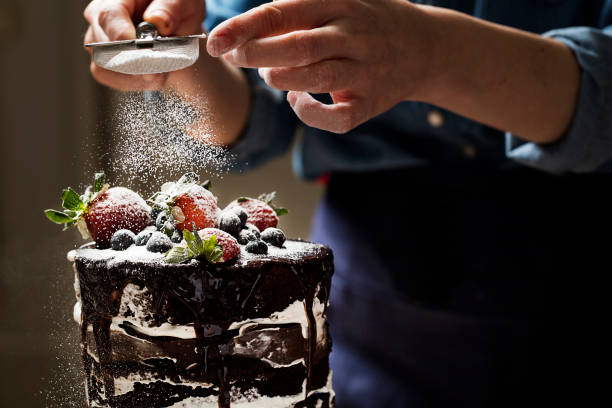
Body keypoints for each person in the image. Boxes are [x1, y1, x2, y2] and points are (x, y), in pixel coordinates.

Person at [83, 0, 612, 406]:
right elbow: (252, 104)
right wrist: (175, 56)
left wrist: (434, 51)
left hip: (579, 286)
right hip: (366, 304)